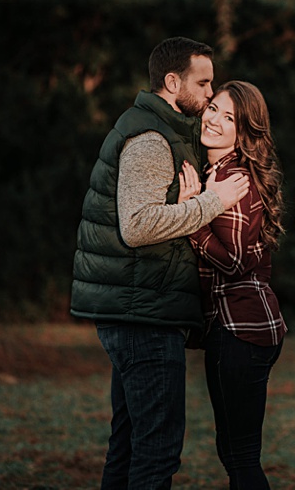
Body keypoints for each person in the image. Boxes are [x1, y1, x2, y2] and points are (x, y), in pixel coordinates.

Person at [71, 37, 250, 490]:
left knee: (129, 445)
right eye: (203, 82)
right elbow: (138, 225)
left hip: (139, 309)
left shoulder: (162, 129)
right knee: (156, 451)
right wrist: (212, 201)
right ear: (173, 82)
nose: (210, 94)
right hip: (143, 317)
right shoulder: (151, 139)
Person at [178, 80, 287, 490]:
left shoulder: (233, 179)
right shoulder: (218, 173)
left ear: (244, 133)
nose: (216, 122)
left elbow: (236, 261)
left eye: (231, 119)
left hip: (241, 330)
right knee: (234, 453)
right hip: (242, 328)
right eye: (214, 110)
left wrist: (194, 213)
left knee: (240, 457)